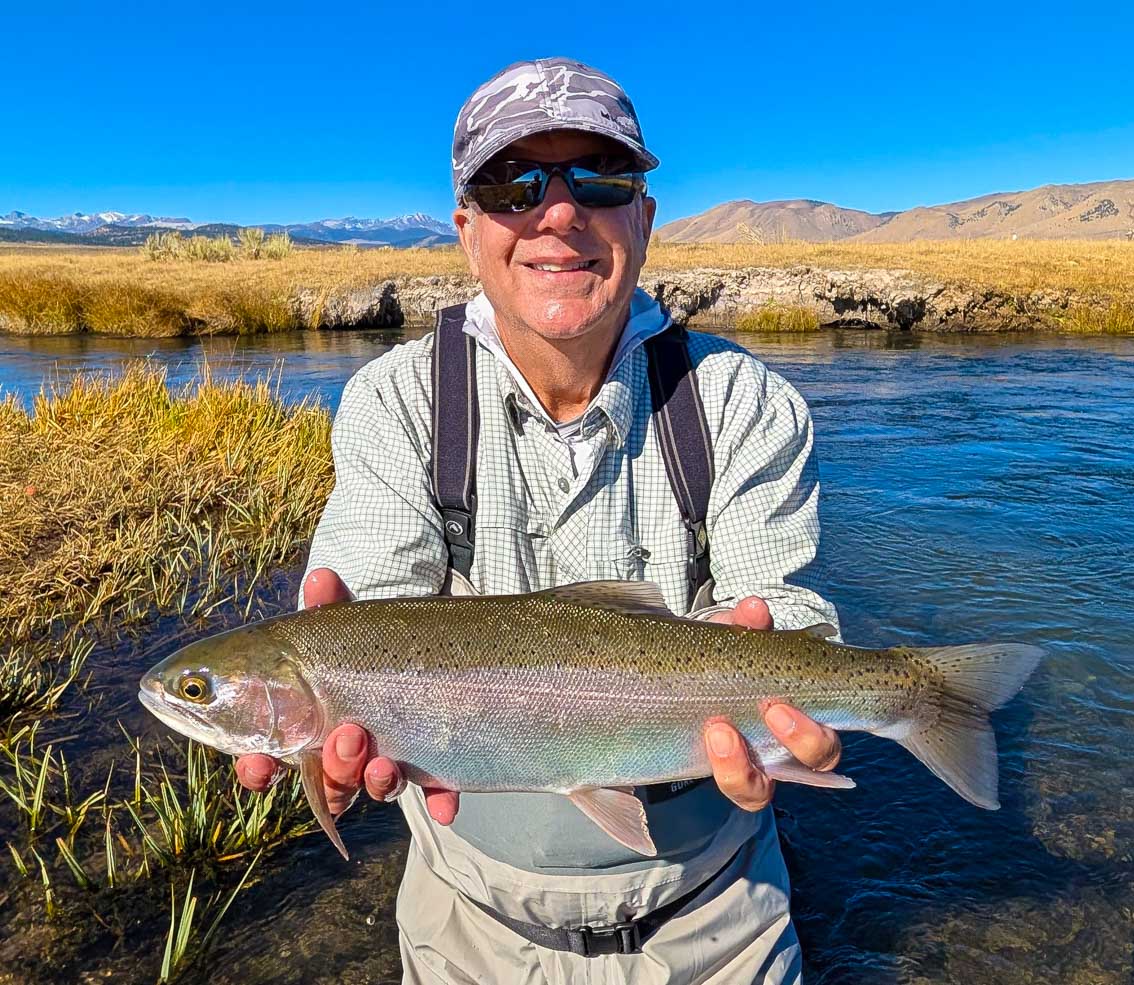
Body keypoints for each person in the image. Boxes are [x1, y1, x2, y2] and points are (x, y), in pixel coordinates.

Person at [235, 57, 842, 984]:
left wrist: (801, 680)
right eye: (512, 185)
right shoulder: (396, 402)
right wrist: (344, 737)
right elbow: (384, 608)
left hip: (719, 917)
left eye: (598, 178)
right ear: (467, 229)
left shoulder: (744, 402)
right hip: (470, 926)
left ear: (643, 216)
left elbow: (788, 616)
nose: (558, 213)